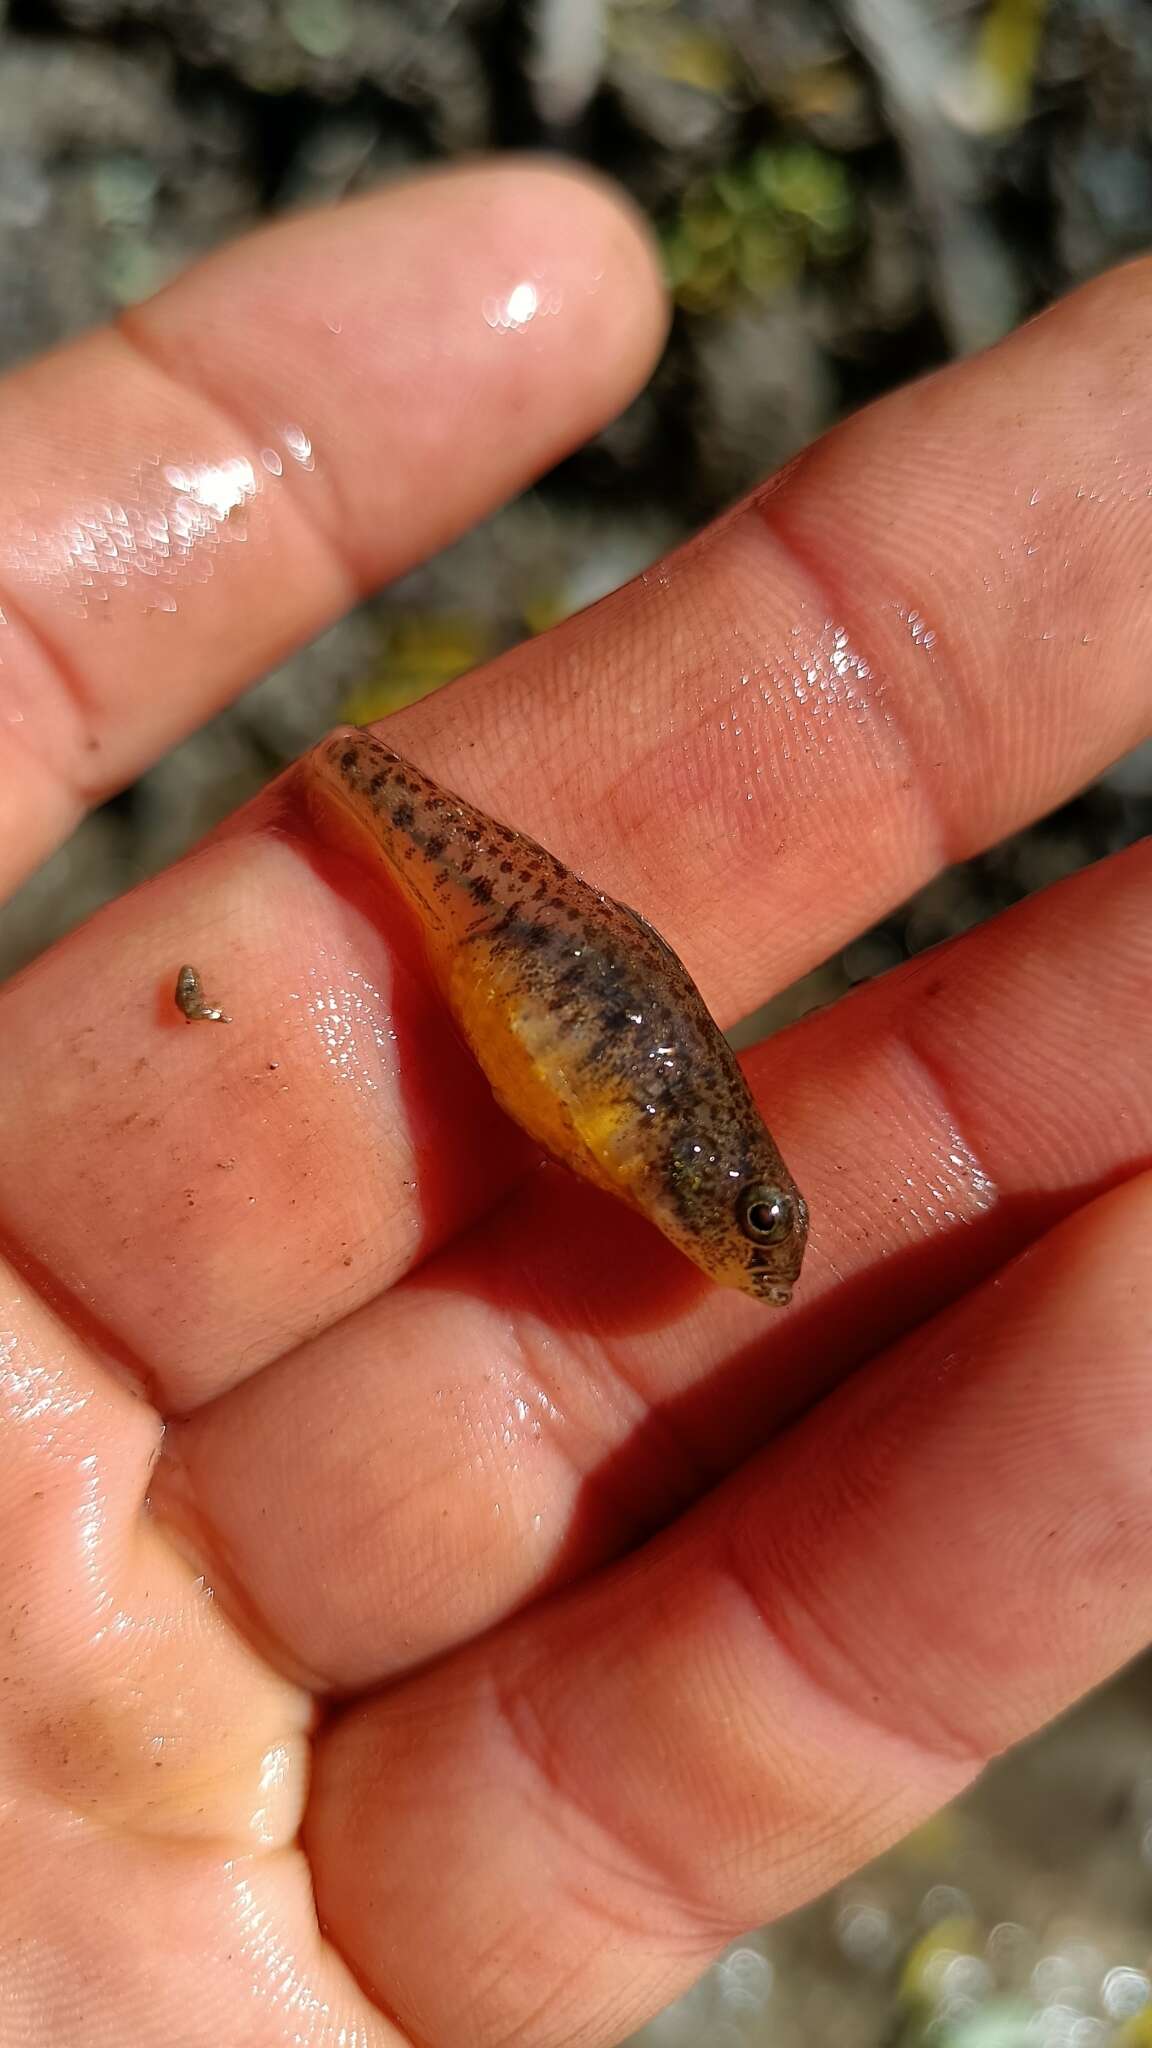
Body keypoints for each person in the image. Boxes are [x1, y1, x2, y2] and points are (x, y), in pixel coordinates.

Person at [0, 160, 1148, 2048]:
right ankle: (353, 789)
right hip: (543, 976)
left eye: (762, 1236)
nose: (760, 1259)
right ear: (731, 1200)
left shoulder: (682, 1171)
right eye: (757, 1235)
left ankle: (352, 786)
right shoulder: (686, 1164)